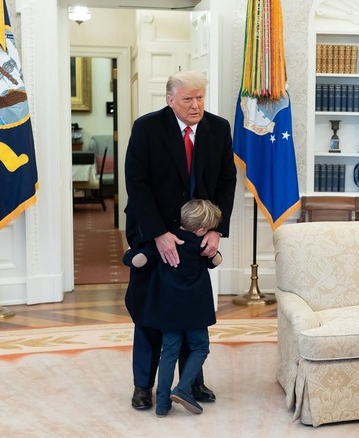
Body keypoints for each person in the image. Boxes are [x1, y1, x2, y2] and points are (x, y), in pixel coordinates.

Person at [123, 70, 237, 411]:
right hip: (150, 229)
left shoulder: (218, 128)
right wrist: (158, 234)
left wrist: (217, 228)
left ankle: (191, 380)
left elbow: (226, 182)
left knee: (190, 307)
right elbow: (137, 184)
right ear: (170, 99)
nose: (195, 105)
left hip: (197, 232)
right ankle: (144, 386)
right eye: (187, 99)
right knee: (149, 310)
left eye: (200, 97)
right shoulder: (147, 128)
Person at [124, 199, 223, 417]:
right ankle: (183, 388)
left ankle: (162, 403)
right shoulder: (199, 245)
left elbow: (141, 257)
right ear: (201, 230)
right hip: (195, 312)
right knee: (200, 347)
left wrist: (133, 256)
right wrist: (216, 255)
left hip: (167, 309)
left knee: (168, 351)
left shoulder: (166, 242)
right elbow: (214, 260)